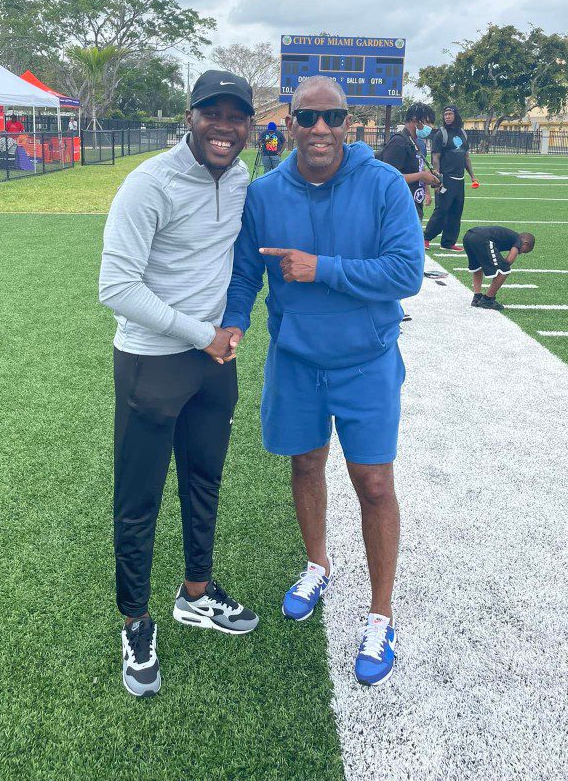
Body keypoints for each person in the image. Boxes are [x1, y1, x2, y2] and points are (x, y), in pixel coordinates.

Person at [223, 75, 424, 687]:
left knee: (374, 485)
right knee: (306, 467)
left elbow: (407, 273)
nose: (319, 129)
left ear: (348, 123)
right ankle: (317, 565)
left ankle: (381, 616)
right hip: (296, 362)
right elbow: (244, 274)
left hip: (366, 362)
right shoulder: (264, 194)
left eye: (332, 117)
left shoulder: (383, 184)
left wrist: (323, 269)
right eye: (307, 118)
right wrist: (234, 324)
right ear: (288, 123)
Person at [99, 70, 259, 699]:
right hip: (154, 360)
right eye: (212, 113)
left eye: (236, 116)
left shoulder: (241, 178)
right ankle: (135, 622)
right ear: (190, 117)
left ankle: (196, 592)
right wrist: (201, 334)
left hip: (213, 361)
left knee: (204, 480)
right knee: (139, 499)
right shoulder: (149, 183)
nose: (225, 127)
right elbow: (116, 287)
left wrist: (224, 331)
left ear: (249, 125)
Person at [423, 104, 478, 252]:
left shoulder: (463, 133)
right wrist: (437, 179)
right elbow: (435, 157)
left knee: (456, 212)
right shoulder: (441, 134)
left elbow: (466, 157)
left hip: (459, 180)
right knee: (441, 210)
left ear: (456, 115)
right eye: (445, 114)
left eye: (450, 114)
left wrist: (472, 177)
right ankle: (426, 238)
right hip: (445, 179)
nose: (447, 117)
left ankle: (448, 242)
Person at [376, 102, 440, 224]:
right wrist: (420, 176)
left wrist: (427, 179)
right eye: (427, 122)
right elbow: (388, 177)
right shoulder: (399, 142)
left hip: (413, 205)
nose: (430, 127)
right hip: (400, 208)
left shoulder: (415, 142)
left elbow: (417, 169)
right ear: (415, 119)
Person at [463, 226, 536, 310]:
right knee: (504, 270)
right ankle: (487, 300)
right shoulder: (518, 240)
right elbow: (509, 261)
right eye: (523, 251)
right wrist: (500, 263)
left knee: (478, 265)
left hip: (469, 236)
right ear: (526, 244)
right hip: (483, 238)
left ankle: (477, 297)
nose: (520, 253)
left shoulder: (511, 236)